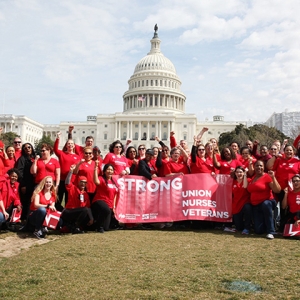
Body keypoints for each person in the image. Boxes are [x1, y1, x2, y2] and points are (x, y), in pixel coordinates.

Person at [247, 160, 281, 239]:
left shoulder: (267, 176)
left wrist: (273, 177)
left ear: (264, 167)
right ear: (254, 167)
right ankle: (266, 226)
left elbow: (277, 190)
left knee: (266, 204)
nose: (259, 167)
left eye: (261, 166)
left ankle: (271, 231)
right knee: (258, 231)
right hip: (256, 205)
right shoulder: (253, 178)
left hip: (267, 202)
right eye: (257, 166)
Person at [60, 165, 94, 234]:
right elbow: (67, 182)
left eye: (85, 182)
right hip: (69, 211)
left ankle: (73, 227)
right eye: (81, 181)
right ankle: (76, 227)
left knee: (87, 215)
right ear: (78, 182)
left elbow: (88, 207)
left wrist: (91, 218)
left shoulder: (86, 194)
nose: (83, 183)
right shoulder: (73, 188)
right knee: (84, 210)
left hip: (78, 213)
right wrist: (71, 172)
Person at [53, 132, 80, 209]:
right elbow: (55, 149)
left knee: (69, 200)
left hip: (71, 182)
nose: (70, 145)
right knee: (58, 199)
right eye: (68, 143)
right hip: (62, 180)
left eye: (72, 144)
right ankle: (58, 214)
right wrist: (58, 138)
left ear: (74, 145)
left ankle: (67, 216)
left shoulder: (77, 157)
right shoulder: (62, 154)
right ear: (66, 145)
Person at [92, 163, 119, 233]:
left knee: (106, 227)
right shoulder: (101, 178)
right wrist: (95, 169)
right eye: (108, 169)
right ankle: (98, 227)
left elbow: (115, 194)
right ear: (104, 171)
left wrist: (114, 206)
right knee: (105, 210)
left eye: (111, 170)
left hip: (109, 204)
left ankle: (94, 225)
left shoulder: (114, 181)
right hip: (99, 200)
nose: (110, 171)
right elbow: (96, 181)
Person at [16, 143, 36, 221]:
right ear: (23, 150)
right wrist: (23, 184)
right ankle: (24, 218)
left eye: (29, 147)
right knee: (26, 201)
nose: (27, 149)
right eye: (25, 148)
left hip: (34, 182)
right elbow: (19, 172)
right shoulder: (22, 159)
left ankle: (30, 217)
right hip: (26, 183)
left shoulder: (34, 158)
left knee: (32, 201)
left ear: (31, 148)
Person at [232, 166, 252, 234]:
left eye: (240, 172)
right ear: (235, 173)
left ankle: (247, 228)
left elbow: (245, 186)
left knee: (247, 207)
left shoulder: (248, 180)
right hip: (236, 205)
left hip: (245, 203)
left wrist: (246, 175)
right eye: (237, 172)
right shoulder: (232, 182)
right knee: (239, 227)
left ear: (243, 173)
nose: (239, 174)